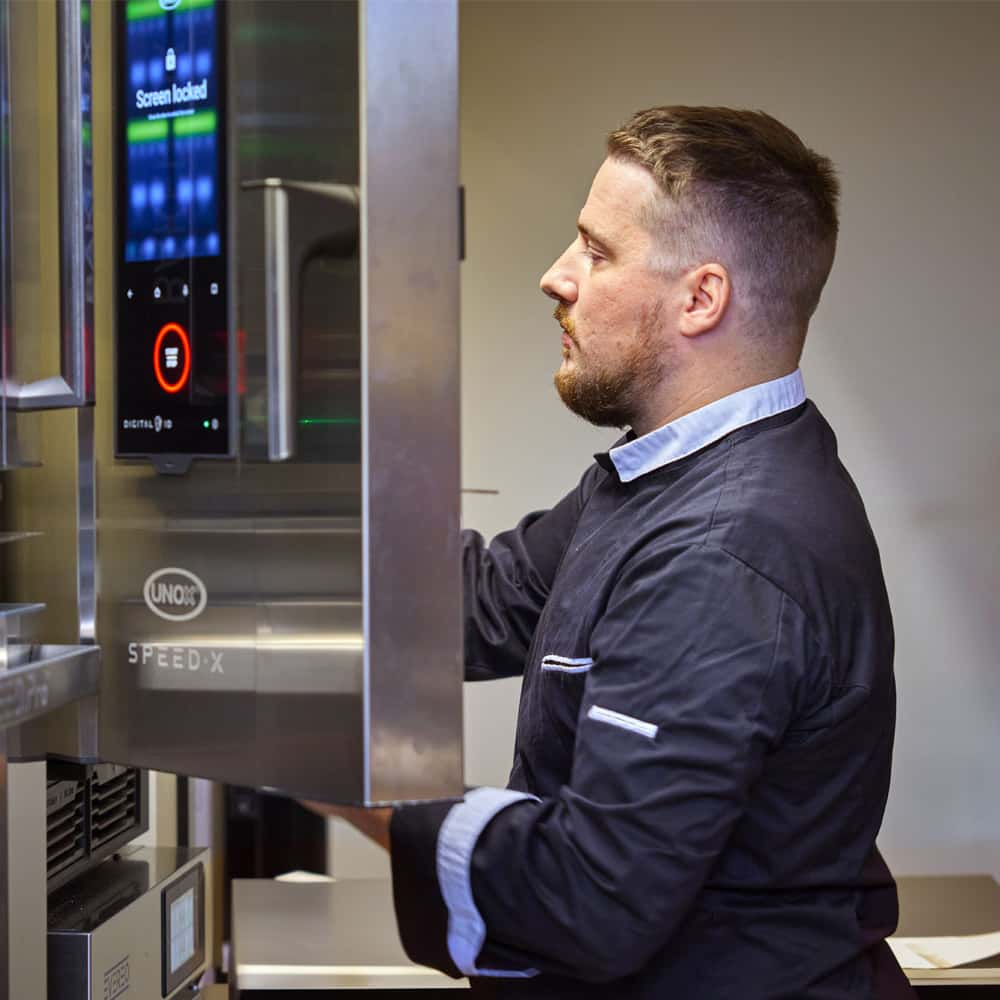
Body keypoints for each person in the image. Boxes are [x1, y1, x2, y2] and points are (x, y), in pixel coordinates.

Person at [316, 106, 915, 999]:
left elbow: (590, 898)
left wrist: (315, 763)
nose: (556, 276)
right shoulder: (660, 480)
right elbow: (479, 601)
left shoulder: (728, 551)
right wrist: (270, 541)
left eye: (597, 252)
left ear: (701, 298)